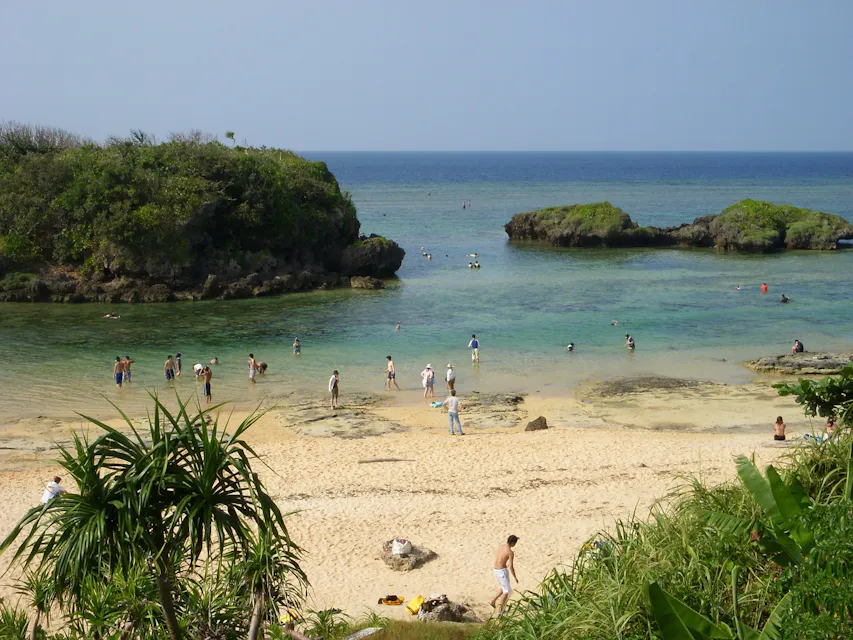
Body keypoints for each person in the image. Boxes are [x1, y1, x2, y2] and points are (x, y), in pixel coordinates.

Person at [489, 535, 519, 614]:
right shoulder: (510, 552)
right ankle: (500, 610)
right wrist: (515, 577)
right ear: (512, 543)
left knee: (503, 587)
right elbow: (511, 567)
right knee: (507, 591)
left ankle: (492, 601)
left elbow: (500, 559)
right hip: (502, 572)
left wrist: (504, 564)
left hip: (496, 570)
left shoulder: (500, 547)